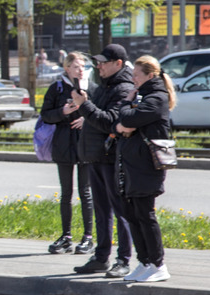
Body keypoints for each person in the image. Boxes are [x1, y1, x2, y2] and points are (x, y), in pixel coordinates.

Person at [69, 43, 134, 278]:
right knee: (101, 210)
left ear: (118, 64)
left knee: (119, 210)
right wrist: (85, 103)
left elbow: (110, 122)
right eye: (97, 62)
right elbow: (96, 117)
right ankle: (101, 257)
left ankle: (123, 259)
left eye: (103, 62)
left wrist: (83, 105)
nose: (99, 66)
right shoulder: (105, 86)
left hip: (111, 158)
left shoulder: (123, 88)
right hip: (97, 156)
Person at [114, 55, 176, 282]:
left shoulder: (156, 98)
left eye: (136, 75)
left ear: (150, 76)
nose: (132, 79)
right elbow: (122, 123)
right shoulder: (144, 97)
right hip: (134, 165)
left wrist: (127, 108)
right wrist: (126, 120)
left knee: (145, 214)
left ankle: (159, 264)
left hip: (147, 167)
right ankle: (145, 261)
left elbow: (128, 119)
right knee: (133, 214)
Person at [40, 52, 96, 255]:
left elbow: (102, 113)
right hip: (63, 145)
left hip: (86, 145)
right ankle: (66, 236)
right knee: (66, 193)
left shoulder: (92, 87)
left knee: (86, 192)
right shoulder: (57, 88)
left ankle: (88, 237)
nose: (80, 70)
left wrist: (87, 119)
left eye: (82, 66)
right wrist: (62, 113)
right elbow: (45, 115)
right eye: (76, 66)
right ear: (67, 68)